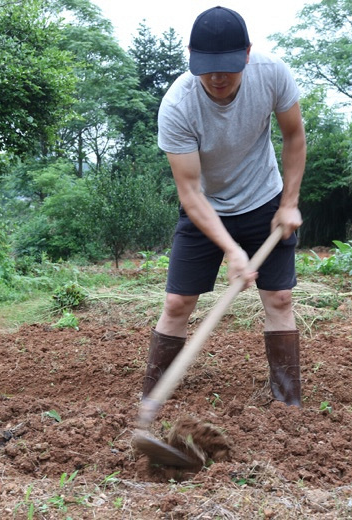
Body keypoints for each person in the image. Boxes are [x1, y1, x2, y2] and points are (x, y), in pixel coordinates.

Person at [141, 6, 306, 407]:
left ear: (246, 54)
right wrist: (231, 250)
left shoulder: (272, 74)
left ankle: (289, 410)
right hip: (206, 210)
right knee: (178, 303)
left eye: (227, 67)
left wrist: (289, 203)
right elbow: (191, 192)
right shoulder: (177, 105)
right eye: (207, 67)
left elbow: (294, 136)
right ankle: (152, 402)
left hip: (264, 200)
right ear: (192, 57)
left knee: (279, 299)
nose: (216, 77)